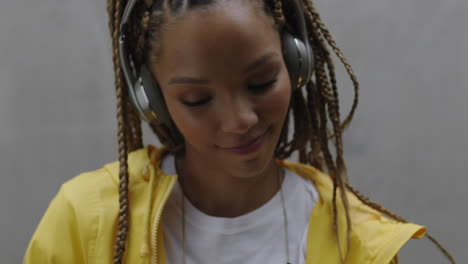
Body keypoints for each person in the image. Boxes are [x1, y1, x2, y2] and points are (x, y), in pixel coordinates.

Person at [24, 0, 455, 263]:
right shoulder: (86, 221)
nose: (240, 121)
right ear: (151, 99)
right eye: (197, 100)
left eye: (261, 82)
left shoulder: (358, 242)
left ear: (296, 61)